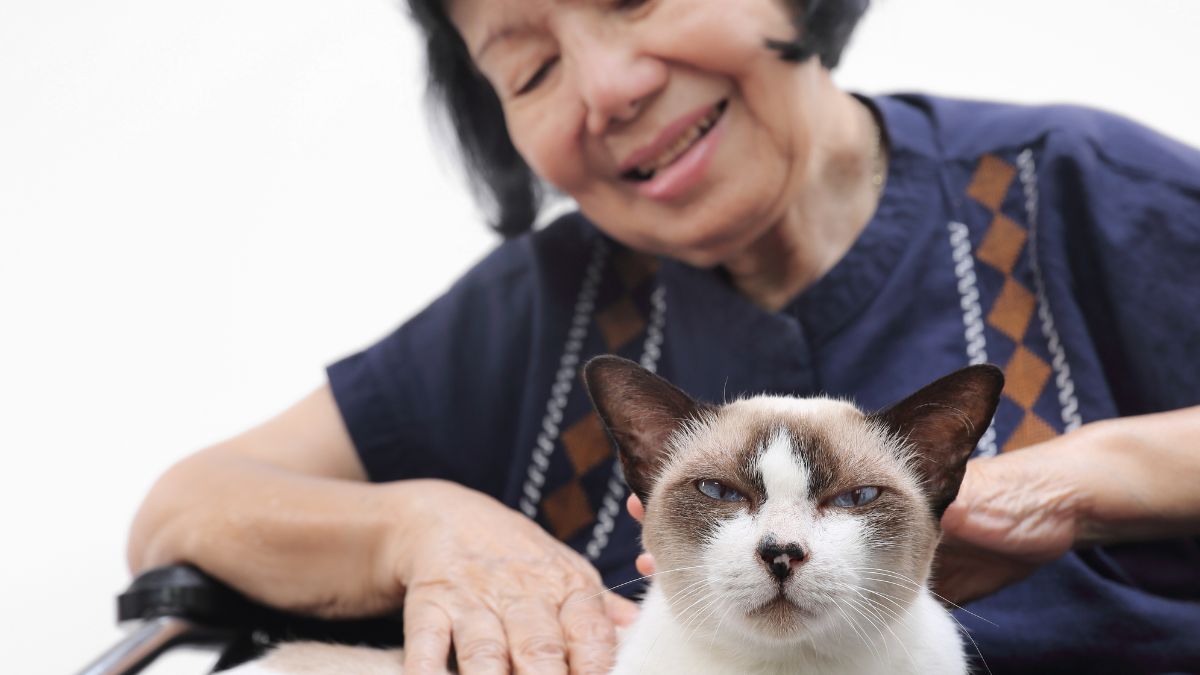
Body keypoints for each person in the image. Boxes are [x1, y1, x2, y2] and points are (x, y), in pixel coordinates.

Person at [128, 0, 1200, 672]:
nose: (610, 87)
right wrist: (427, 529)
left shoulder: (1084, 189)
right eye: (533, 70)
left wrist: (1086, 478)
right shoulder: (543, 302)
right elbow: (186, 511)